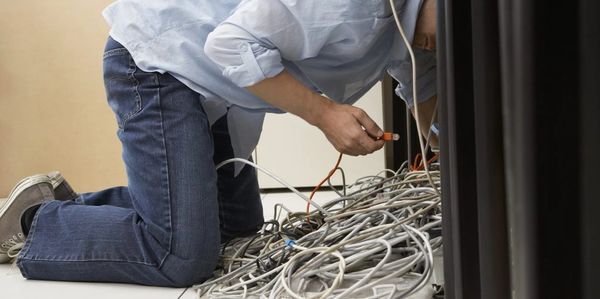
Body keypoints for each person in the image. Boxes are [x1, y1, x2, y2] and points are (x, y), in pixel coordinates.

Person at [0, 0, 437, 287]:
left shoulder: (416, 28)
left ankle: (64, 205)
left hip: (214, 86)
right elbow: (231, 43)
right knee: (180, 256)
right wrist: (325, 115)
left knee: (236, 231)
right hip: (161, 61)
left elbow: (425, 84)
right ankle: (32, 223)